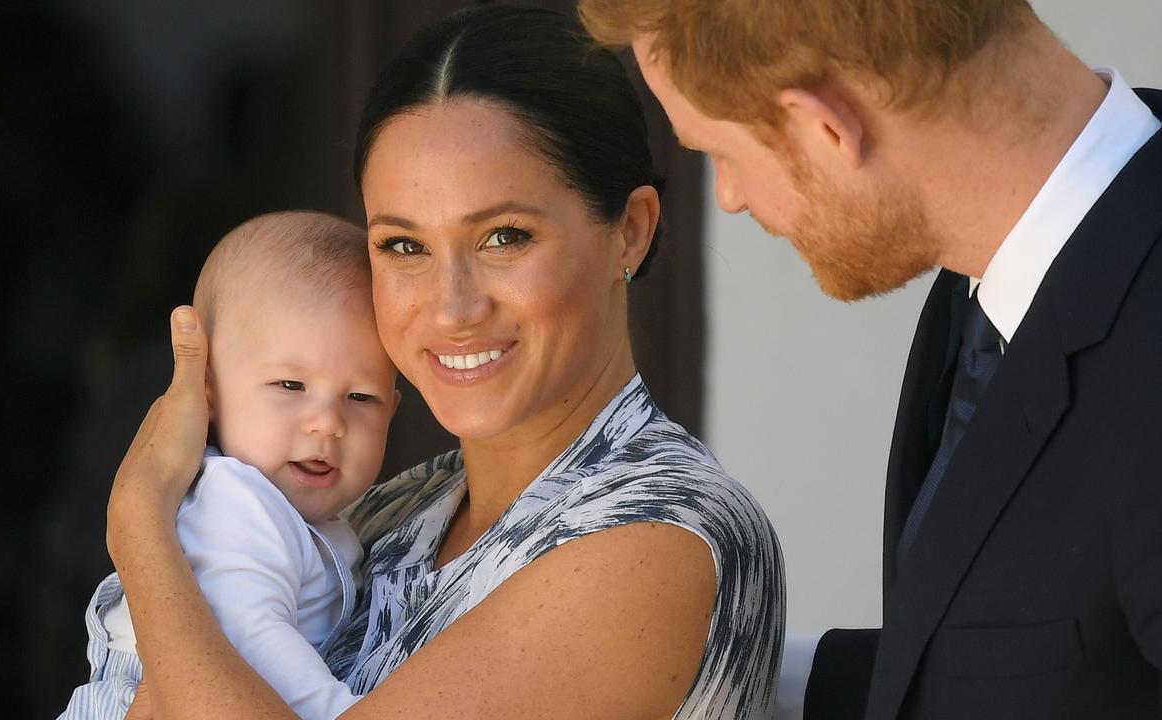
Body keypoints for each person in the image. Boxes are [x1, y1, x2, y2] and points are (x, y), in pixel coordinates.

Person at [104, 6, 784, 720]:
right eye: (404, 246)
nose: (451, 308)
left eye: (503, 236)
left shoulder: (655, 538)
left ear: (630, 232)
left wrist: (141, 523)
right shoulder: (396, 509)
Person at [578, 0, 1162, 718]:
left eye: (719, 155)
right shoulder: (994, 273)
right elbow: (1036, 664)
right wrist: (688, 668)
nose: (728, 198)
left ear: (827, 127)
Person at [59, 211, 400, 719]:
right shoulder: (236, 503)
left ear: (393, 409)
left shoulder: (306, 517)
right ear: (208, 393)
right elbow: (250, 640)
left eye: (361, 397)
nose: (327, 423)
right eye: (290, 386)